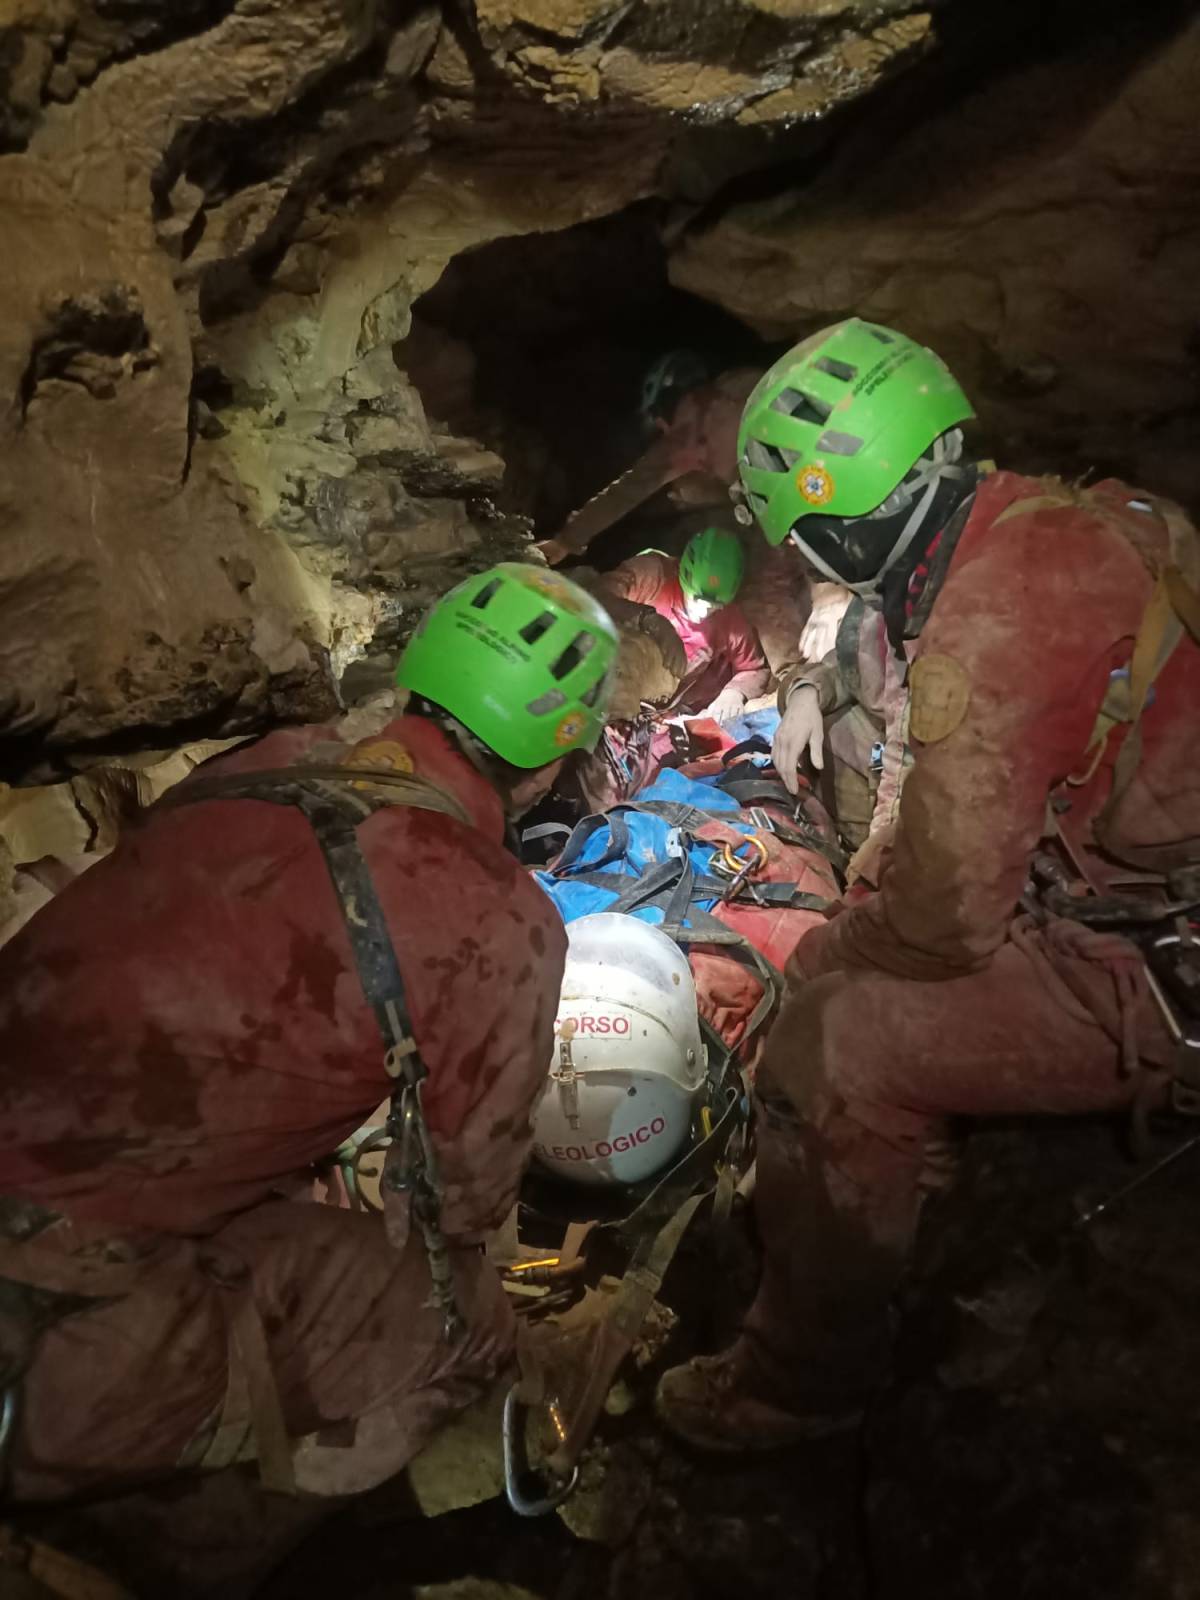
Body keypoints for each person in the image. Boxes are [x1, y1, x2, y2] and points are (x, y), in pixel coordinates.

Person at [655, 317, 1200, 1448]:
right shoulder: (1058, 521)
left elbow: (950, 924)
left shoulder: (983, 625)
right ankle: (913, 1153)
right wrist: (871, 888)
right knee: (856, 917)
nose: (803, 563)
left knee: (833, 1042)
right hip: (1132, 884)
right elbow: (984, 785)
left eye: (804, 538)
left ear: (838, 524)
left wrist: (839, 953)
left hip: (1159, 966)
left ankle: (800, 1383)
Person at [0, 561, 618, 1501]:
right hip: (50, 1315)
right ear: (549, 763)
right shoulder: (498, 921)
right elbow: (462, 1201)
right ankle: (211, 1534)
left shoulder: (255, 766)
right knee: (472, 1322)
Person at [593, 526, 770, 727]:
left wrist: (734, 692)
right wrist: (647, 618)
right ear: (683, 575)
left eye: (715, 606)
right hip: (609, 679)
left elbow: (754, 668)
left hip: (662, 709)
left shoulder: (730, 620)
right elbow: (594, 597)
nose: (704, 611)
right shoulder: (653, 575)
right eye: (698, 599)